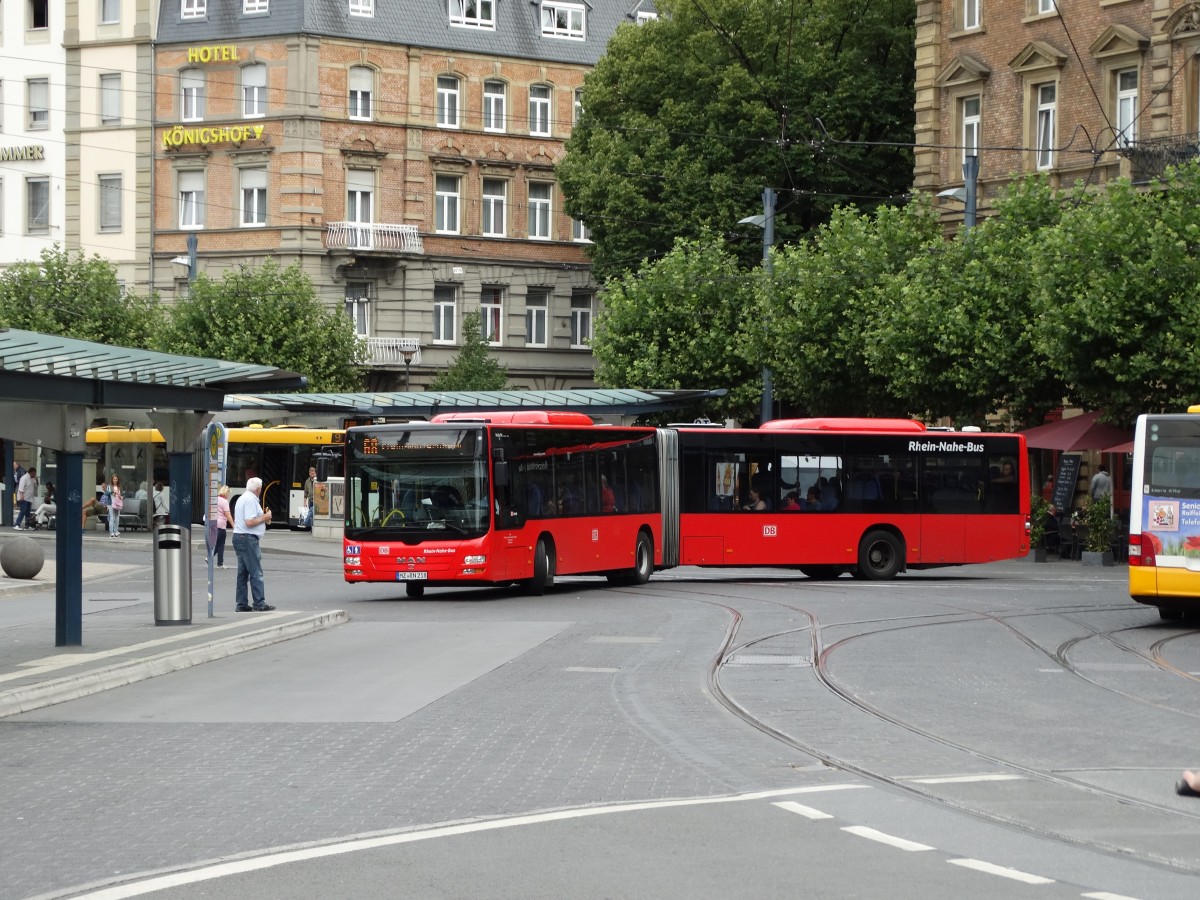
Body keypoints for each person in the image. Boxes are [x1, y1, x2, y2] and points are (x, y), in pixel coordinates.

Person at [233, 476, 274, 612]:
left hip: (239, 536)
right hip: (248, 538)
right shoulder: (250, 500)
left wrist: (263, 518)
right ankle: (259, 603)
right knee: (256, 572)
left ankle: (241, 603)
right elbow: (249, 522)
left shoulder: (242, 498)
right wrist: (265, 517)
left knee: (242, 573)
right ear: (258, 489)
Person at [211, 485, 232, 568]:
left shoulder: (215, 499)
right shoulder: (224, 501)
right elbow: (227, 514)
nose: (228, 495)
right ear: (226, 492)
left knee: (219, 543)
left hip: (214, 523)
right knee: (221, 544)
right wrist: (233, 524)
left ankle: (215, 560)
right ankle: (217, 561)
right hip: (221, 524)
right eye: (228, 493)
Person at [106, 473, 124, 538]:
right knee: (112, 517)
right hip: (111, 503)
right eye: (114, 479)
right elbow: (106, 493)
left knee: (117, 518)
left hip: (118, 503)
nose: (115, 480)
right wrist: (112, 493)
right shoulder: (109, 486)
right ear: (112, 479)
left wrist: (122, 497)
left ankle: (116, 531)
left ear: (118, 480)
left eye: (116, 479)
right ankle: (111, 532)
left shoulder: (119, 486)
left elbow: (123, 493)